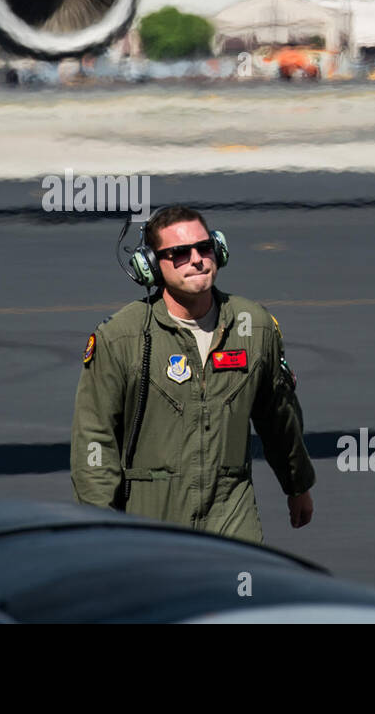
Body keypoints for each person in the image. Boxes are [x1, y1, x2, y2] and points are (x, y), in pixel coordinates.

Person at [70, 205, 315, 544]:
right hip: (150, 519)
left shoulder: (254, 326)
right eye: (180, 253)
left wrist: (297, 484)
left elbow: (279, 418)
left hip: (231, 514)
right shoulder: (121, 338)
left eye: (204, 248)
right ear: (151, 265)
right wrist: (101, 526)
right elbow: (95, 440)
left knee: (242, 595)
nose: (197, 259)